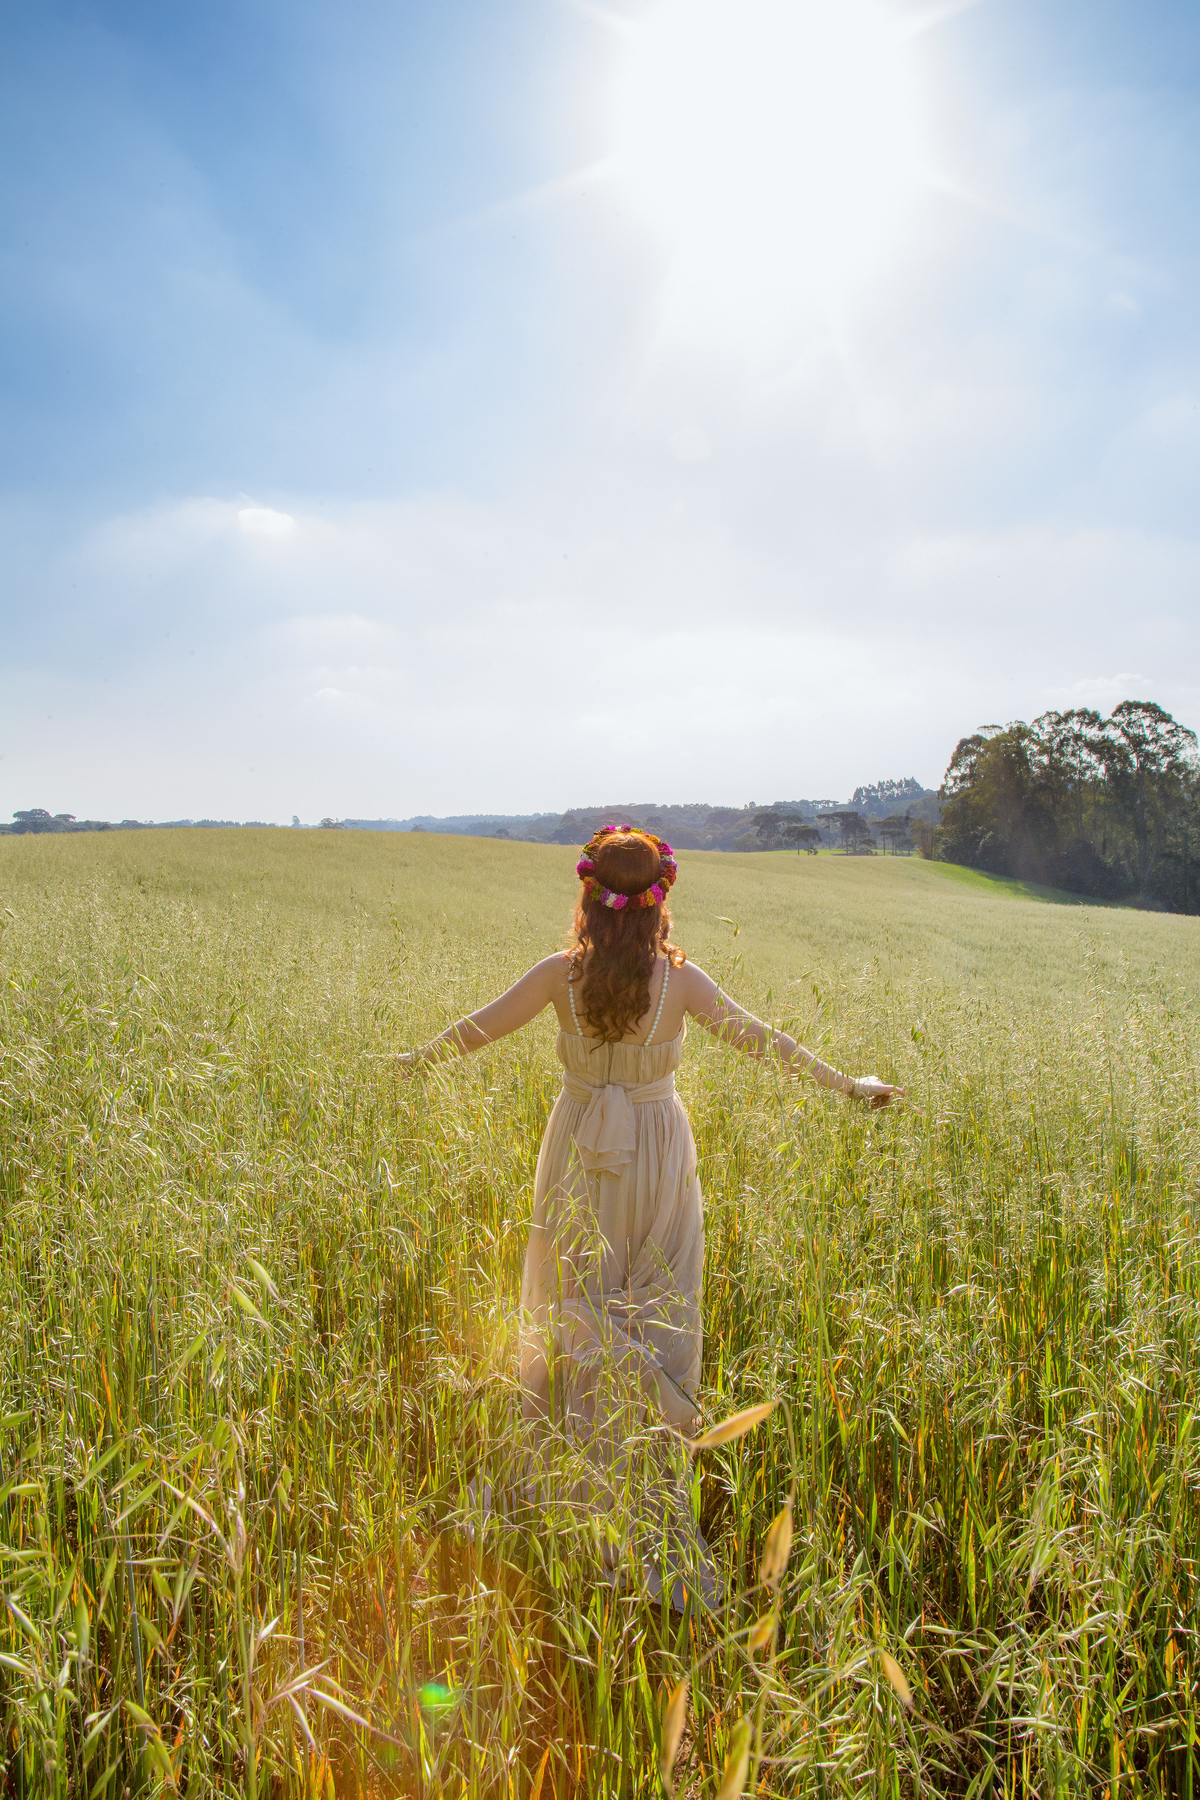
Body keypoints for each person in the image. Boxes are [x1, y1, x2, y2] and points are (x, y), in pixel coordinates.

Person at [397, 825, 899, 1603]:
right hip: (660, 1157)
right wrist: (850, 1086)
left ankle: (552, 1496)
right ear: (660, 898)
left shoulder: (558, 976)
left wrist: (407, 1063)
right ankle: (642, 1512)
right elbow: (770, 1043)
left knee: (571, 1308)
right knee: (656, 1317)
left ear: (589, 895)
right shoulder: (682, 984)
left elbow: (477, 1029)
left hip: (576, 1155)